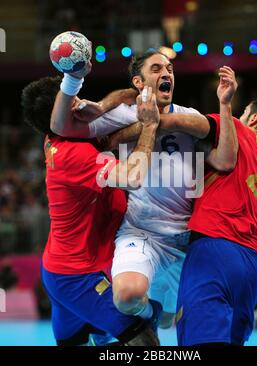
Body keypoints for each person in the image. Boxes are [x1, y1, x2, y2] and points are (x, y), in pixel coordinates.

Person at [51, 50, 238, 328]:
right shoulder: (124, 114)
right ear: (138, 83)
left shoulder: (189, 116)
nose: (166, 74)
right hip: (141, 231)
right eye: (156, 69)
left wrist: (225, 104)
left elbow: (225, 160)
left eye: (170, 69)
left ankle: (155, 317)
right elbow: (60, 125)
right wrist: (73, 80)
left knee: (167, 321)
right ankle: (139, 321)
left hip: (185, 238)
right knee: (127, 296)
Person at [21, 74, 161, 346]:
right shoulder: (73, 154)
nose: (81, 103)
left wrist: (132, 96)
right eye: (74, 100)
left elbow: (116, 115)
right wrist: (151, 127)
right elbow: (133, 176)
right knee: (142, 339)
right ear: (64, 110)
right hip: (79, 277)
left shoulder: (62, 134)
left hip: (61, 270)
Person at [176, 94, 257, 346]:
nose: (239, 117)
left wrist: (152, 118)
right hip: (250, 265)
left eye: (244, 111)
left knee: (200, 343)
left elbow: (197, 125)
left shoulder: (235, 128)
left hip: (215, 250)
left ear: (254, 118)